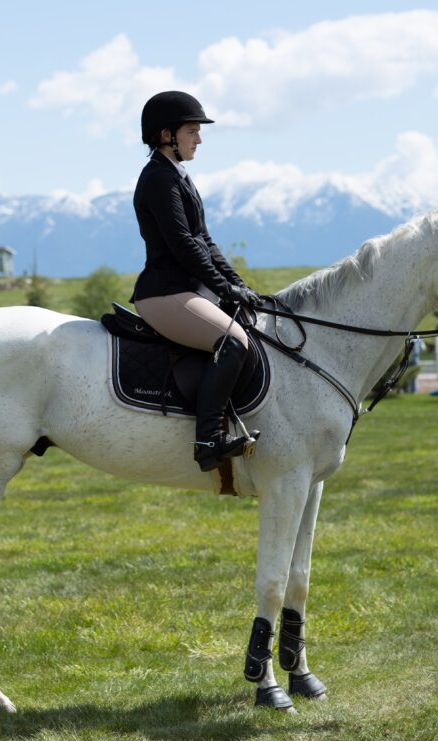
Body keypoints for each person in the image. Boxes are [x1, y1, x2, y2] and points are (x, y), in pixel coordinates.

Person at [130, 91, 260, 472]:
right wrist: (224, 289)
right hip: (165, 292)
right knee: (234, 343)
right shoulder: (157, 179)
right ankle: (208, 441)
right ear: (166, 134)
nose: (199, 140)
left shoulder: (177, 175)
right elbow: (184, 244)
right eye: (192, 131)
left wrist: (238, 285)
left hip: (188, 290)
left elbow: (205, 239)